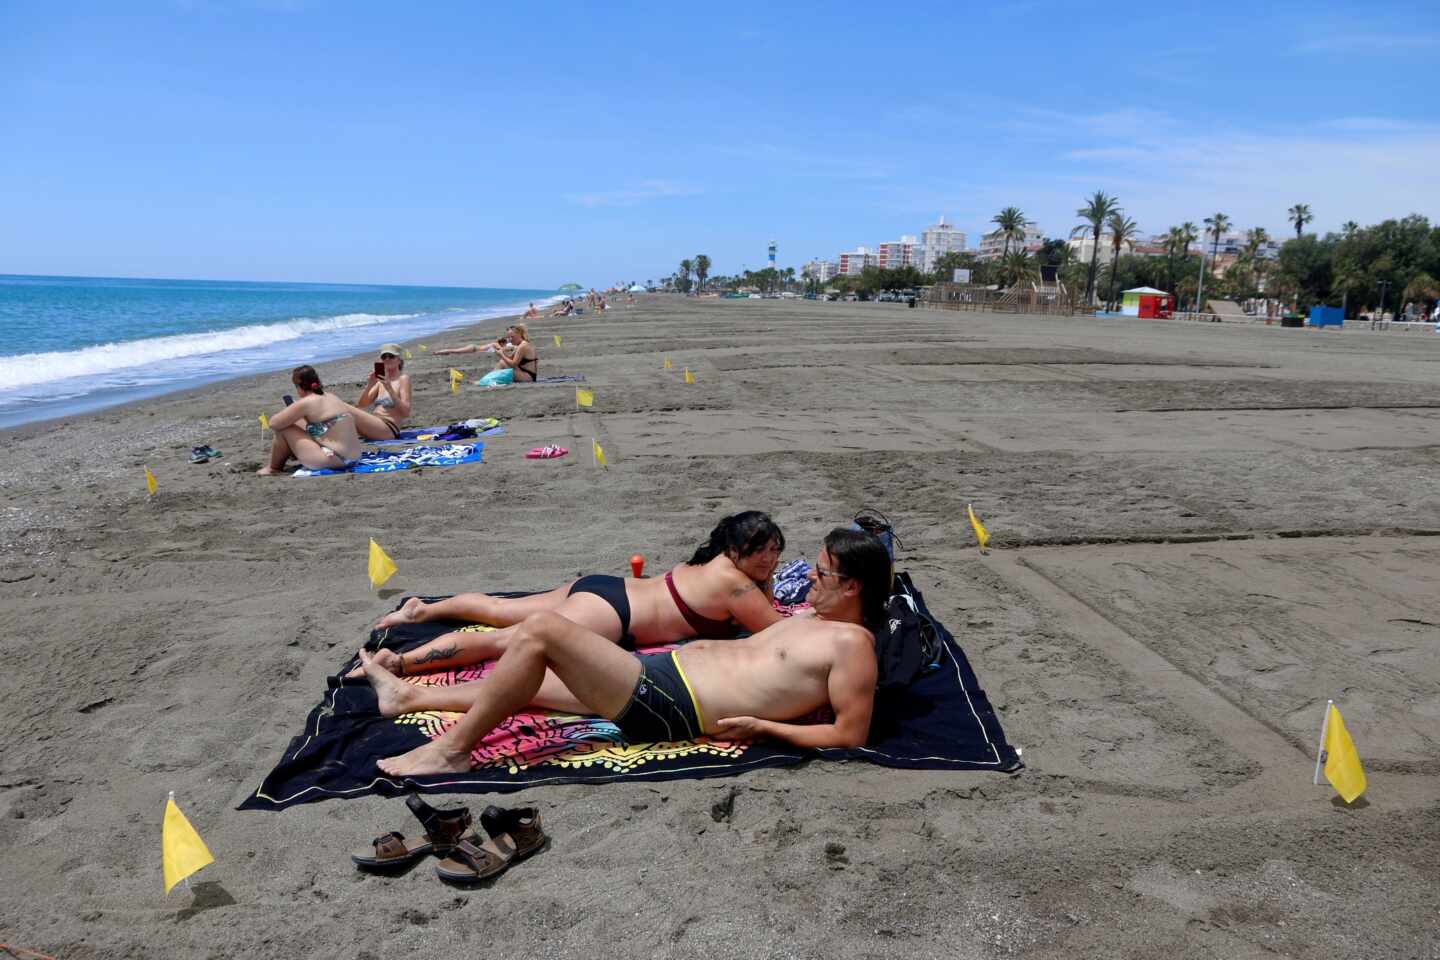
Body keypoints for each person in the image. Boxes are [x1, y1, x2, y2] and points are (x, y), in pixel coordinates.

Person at [360, 528, 892, 775]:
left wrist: (766, 728)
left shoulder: (852, 645)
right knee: (527, 683)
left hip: (675, 705)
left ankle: (452, 752)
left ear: (853, 588)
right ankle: (407, 697)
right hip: (662, 675)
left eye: (821, 573)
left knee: (541, 632)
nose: (810, 579)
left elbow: (851, 733)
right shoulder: (814, 618)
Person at [356, 512, 788, 678]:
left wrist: (763, 583)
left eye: (775, 552)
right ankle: (399, 663)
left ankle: (421, 611)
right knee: (502, 641)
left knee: (499, 609)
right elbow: (779, 634)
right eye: (761, 552)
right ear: (735, 550)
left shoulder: (712, 561)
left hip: (605, 587)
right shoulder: (737, 584)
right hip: (614, 615)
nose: (770, 560)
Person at [257, 365, 363, 475]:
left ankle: (273, 468)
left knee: (284, 429)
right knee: (301, 426)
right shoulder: (331, 396)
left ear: (299, 386)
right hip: (355, 458)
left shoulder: (306, 402)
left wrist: (292, 409)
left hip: (336, 460)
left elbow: (274, 424)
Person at [353, 343, 412, 440]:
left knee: (345, 409)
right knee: (341, 415)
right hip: (375, 424)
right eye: (384, 357)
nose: (387, 359)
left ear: (398, 360)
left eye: (391, 356)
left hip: (388, 428)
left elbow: (406, 413)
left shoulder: (403, 379)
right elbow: (361, 405)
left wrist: (389, 388)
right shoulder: (380, 381)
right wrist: (370, 385)